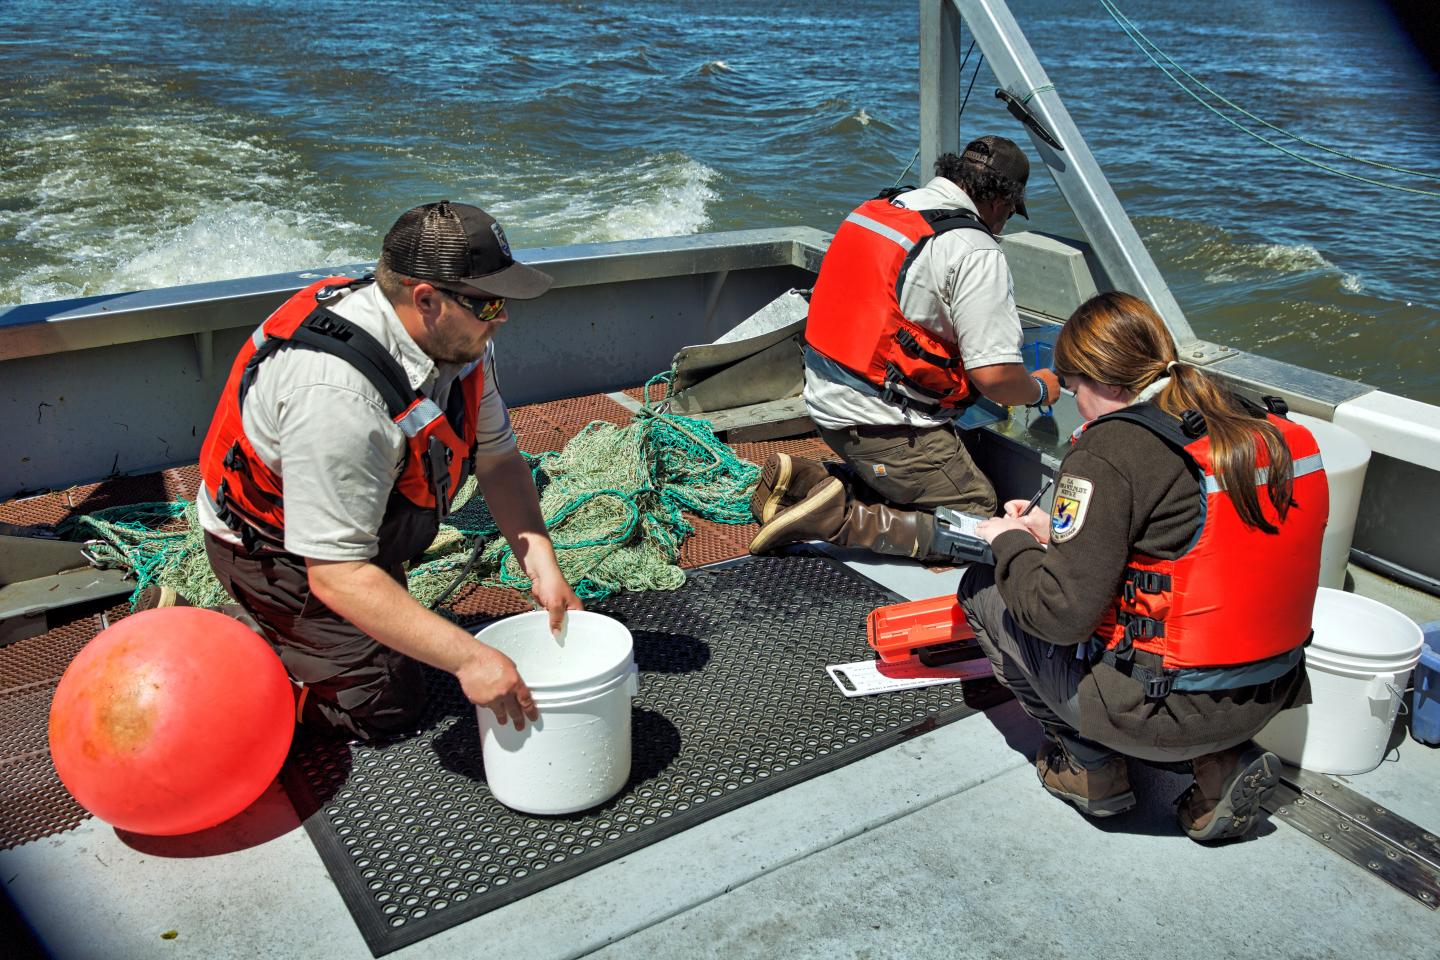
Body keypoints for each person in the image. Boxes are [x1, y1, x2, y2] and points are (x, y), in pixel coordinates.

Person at [190, 200, 582, 742]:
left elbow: (498, 459)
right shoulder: (337, 397)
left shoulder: (462, 340)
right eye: (490, 303)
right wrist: (470, 659)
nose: (504, 316)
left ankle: (304, 640)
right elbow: (337, 574)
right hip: (276, 551)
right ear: (427, 299)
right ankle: (229, 644)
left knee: (401, 640)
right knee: (387, 704)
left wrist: (541, 563)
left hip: (357, 537)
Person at [959, 291, 1327, 842]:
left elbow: (1061, 616)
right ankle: (1219, 766)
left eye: (1074, 387)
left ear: (1102, 383)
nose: (1075, 402)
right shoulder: (1245, 422)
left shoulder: (1113, 450)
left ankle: (1092, 769)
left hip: (1162, 714)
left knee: (984, 588)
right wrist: (1048, 532)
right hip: (1267, 693)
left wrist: (1012, 542)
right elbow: (1188, 550)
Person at [748, 136, 1060, 562]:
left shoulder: (881, 209)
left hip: (825, 406)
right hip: (882, 430)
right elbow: (996, 379)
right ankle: (837, 517)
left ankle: (807, 481)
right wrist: (1040, 390)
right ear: (999, 200)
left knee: (935, 482)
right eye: (1008, 211)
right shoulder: (975, 249)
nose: (1002, 224)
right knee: (980, 519)